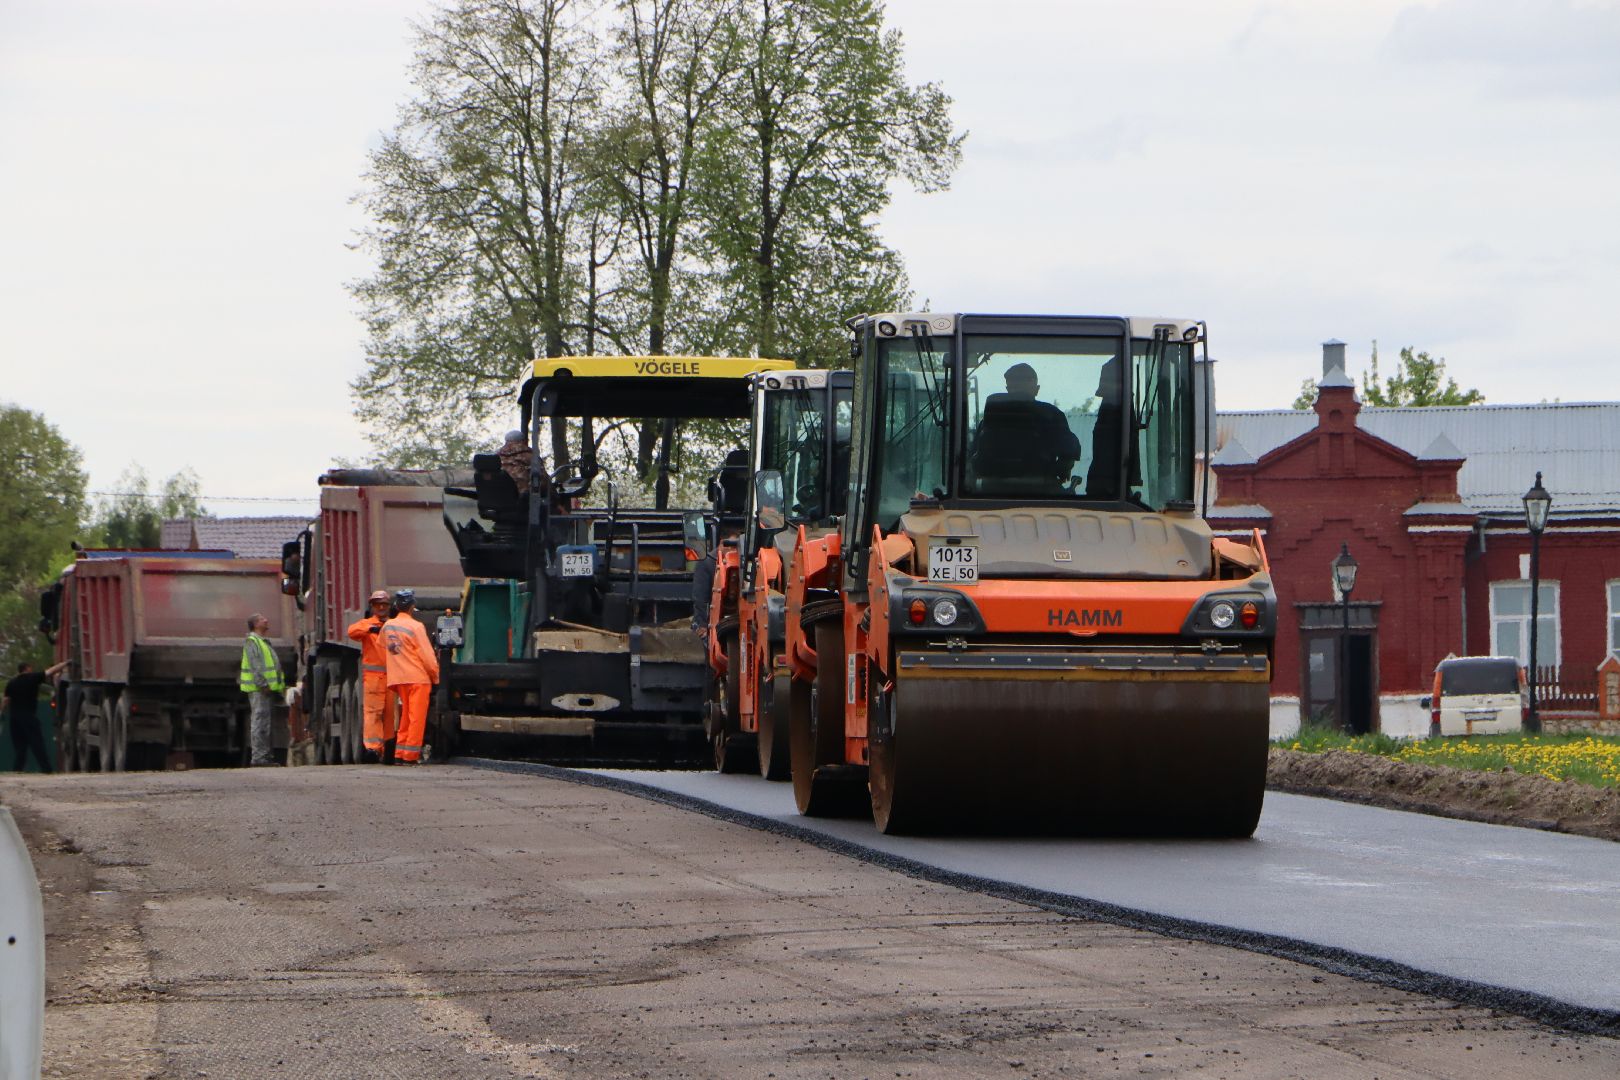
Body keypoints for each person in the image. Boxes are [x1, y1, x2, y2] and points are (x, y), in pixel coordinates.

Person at [382, 590, 440, 765]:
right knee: (416, 717)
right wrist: (436, 677)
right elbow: (427, 656)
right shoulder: (416, 627)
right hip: (418, 679)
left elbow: (383, 647)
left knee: (406, 716)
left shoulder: (387, 627)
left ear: (396, 606)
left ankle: (400, 753)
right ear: (412, 607)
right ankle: (410, 756)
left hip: (399, 679)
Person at [347, 590, 398, 763]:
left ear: (390, 607)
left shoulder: (394, 625)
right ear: (373, 607)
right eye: (378, 605)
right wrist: (371, 628)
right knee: (373, 713)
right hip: (374, 678)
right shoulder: (367, 625)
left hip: (393, 678)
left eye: (384, 604)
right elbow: (352, 631)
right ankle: (373, 750)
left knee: (391, 714)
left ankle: (389, 749)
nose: (381, 607)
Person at [3, 660, 68, 773]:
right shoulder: (33, 678)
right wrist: (65, 663)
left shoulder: (11, 683)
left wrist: (2, 712)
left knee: (20, 747)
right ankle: (46, 769)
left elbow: (6, 700)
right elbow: (50, 671)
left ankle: (17, 770)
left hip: (15, 719)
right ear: (27, 668)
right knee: (37, 744)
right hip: (29, 717)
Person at [239, 614, 284, 767]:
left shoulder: (262, 641)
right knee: (259, 722)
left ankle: (264, 756)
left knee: (265, 723)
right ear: (255, 625)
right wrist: (262, 684)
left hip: (266, 689)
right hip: (260, 689)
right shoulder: (253, 642)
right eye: (261, 619)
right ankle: (259, 758)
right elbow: (255, 664)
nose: (266, 620)